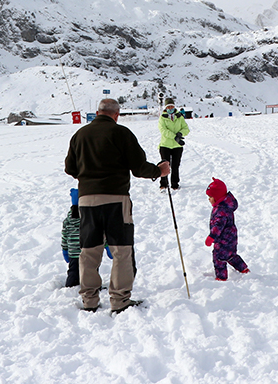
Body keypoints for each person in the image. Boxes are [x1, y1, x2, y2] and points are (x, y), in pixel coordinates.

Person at [65, 98, 170, 313]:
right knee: (121, 251)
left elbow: (70, 167)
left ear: (97, 112)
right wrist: (159, 171)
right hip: (116, 199)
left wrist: (87, 178)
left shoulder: (80, 135)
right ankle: (120, 300)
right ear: (116, 115)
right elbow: (139, 167)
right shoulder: (122, 133)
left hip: (86, 201)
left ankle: (89, 301)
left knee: (89, 251)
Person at [61, 188, 111, 288]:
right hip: (89, 250)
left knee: (73, 271)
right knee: (91, 270)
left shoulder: (67, 220)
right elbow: (100, 234)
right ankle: (94, 286)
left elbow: (64, 236)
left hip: (73, 252)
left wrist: (65, 250)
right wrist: (107, 246)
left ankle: (71, 286)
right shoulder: (91, 218)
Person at [205, 178, 249, 281]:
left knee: (219, 258)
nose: (209, 199)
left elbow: (218, 226)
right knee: (231, 255)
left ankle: (221, 277)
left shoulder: (221, 210)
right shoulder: (224, 206)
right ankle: (243, 269)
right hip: (230, 237)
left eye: (210, 197)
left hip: (223, 239)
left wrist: (211, 237)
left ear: (217, 197)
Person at [158, 97, 190, 190]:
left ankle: (175, 184)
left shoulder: (179, 117)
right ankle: (163, 184)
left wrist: (180, 134)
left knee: (175, 165)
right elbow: (163, 130)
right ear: (165, 108)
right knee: (164, 165)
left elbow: (186, 128)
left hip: (177, 146)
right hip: (165, 145)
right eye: (168, 107)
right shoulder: (162, 118)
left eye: (171, 106)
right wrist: (174, 137)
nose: (170, 108)